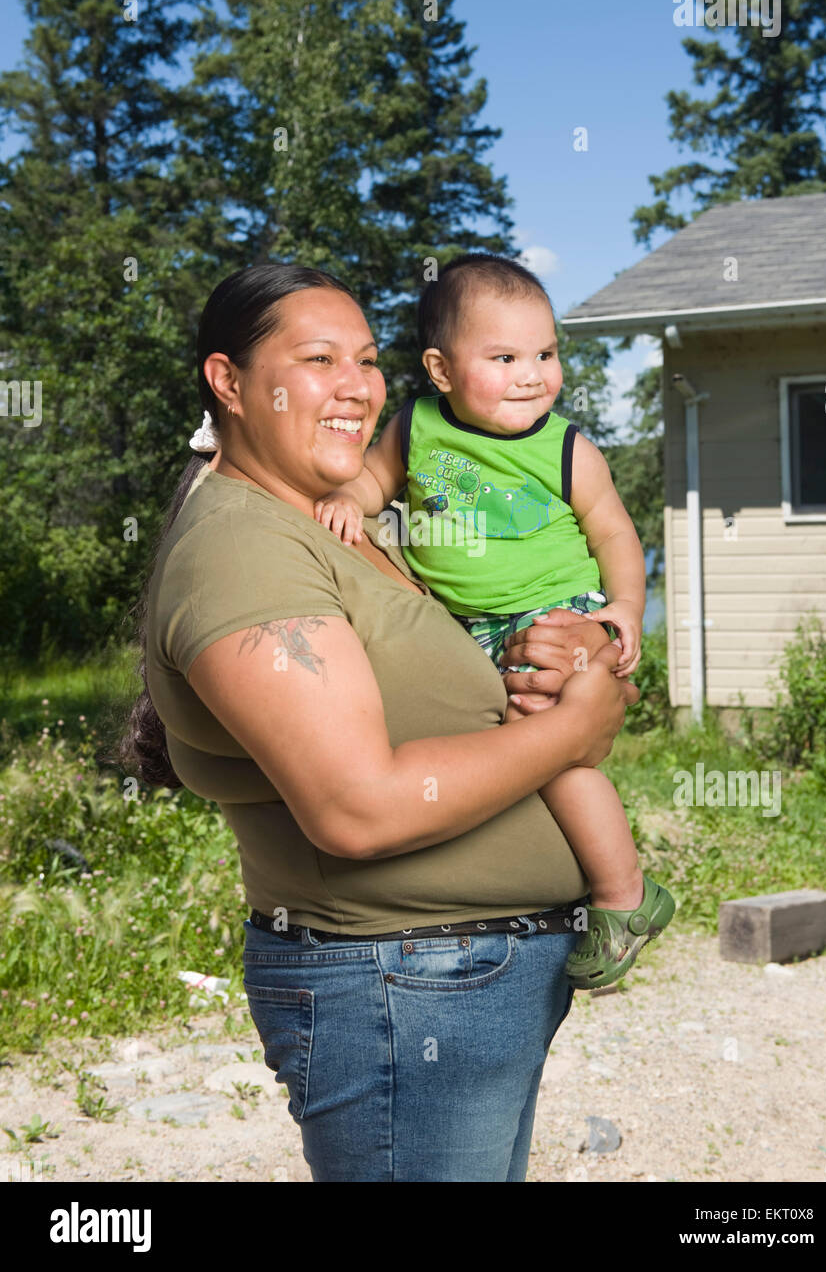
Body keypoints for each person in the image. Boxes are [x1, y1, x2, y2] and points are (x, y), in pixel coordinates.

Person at [123, 262, 638, 1183]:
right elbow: (355, 809)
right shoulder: (245, 549)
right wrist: (572, 734)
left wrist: (576, 657)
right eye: (318, 358)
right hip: (402, 991)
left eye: (366, 358)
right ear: (228, 382)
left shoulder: (342, 524)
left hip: (453, 984)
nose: (358, 385)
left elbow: (478, 686)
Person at [314, 254, 675, 989]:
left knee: (551, 749)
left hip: (556, 615)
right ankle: (521, 889)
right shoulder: (414, 428)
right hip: (469, 626)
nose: (531, 374)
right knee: (484, 749)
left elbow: (614, 535)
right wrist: (351, 501)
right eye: (504, 356)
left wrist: (624, 611)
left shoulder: (566, 447)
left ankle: (624, 893)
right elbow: (372, 481)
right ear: (441, 371)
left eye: (545, 354)